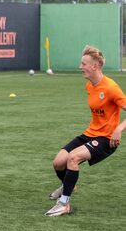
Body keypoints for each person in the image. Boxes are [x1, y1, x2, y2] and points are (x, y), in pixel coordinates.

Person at [45, 45, 126, 217]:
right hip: (90, 133)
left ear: (95, 66)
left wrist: (119, 128)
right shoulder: (90, 86)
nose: (80, 67)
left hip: (106, 139)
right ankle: (70, 185)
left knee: (73, 158)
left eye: (83, 64)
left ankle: (64, 203)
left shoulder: (111, 88)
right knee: (58, 162)